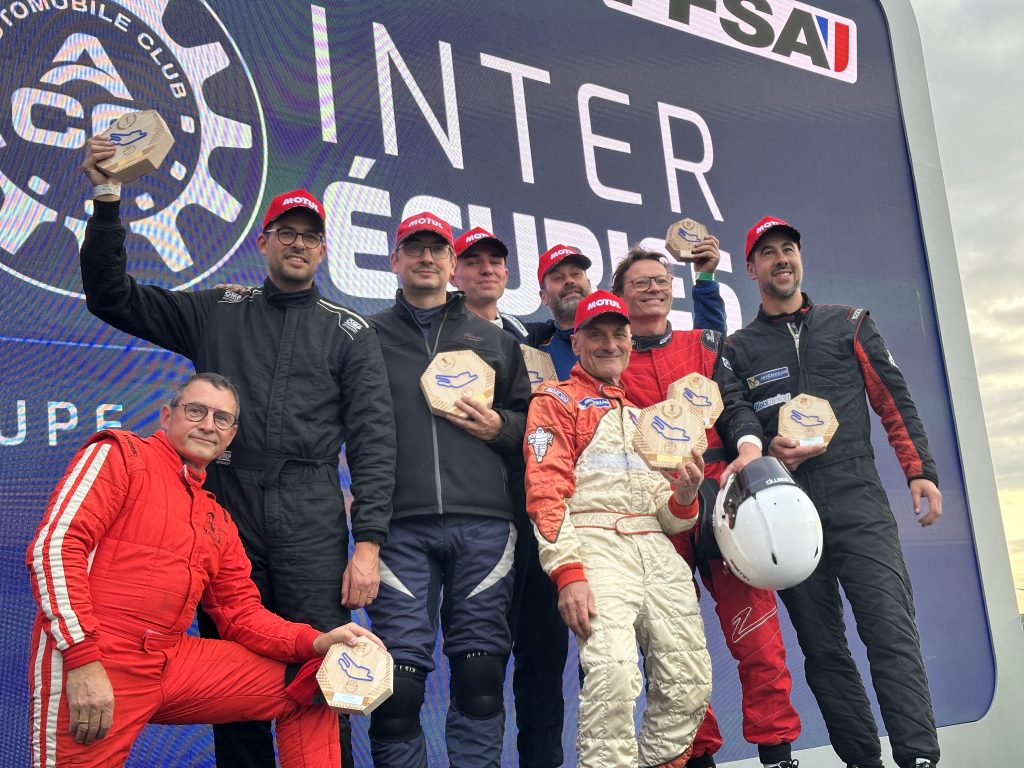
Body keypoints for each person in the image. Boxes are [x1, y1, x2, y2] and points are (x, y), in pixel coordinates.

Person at [78, 137, 396, 768]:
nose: (298, 244)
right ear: (264, 243)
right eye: (287, 233)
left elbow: (374, 443)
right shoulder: (217, 310)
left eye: (310, 236)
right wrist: (108, 198)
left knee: (328, 673)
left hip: (311, 513)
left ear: (324, 249)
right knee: (234, 672)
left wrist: (367, 546)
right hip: (226, 506)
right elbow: (112, 297)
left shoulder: (349, 331)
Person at [26, 373, 384, 768]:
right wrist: (82, 659)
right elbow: (55, 548)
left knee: (313, 680)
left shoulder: (216, 517)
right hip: (96, 659)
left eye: (221, 418)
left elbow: (242, 615)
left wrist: (316, 642)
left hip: (170, 659)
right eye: (196, 411)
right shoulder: (121, 455)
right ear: (167, 416)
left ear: (231, 436)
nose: (208, 425)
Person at [725, 216, 942, 768]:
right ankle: (861, 761)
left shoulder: (849, 323)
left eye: (788, 249)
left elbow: (893, 399)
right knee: (823, 650)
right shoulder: (738, 349)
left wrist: (919, 470)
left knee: (890, 630)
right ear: (751, 269)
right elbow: (735, 416)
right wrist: (765, 448)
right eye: (768, 253)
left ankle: (918, 757)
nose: (781, 259)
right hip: (785, 509)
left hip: (857, 496)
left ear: (800, 258)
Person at [612, 245, 801, 768]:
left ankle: (778, 754)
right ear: (619, 295)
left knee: (758, 637)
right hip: (653, 511)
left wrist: (749, 449)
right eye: (640, 283)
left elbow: (736, 405)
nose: (653, 288)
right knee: (671, 650)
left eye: (660, 280)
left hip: (720, 501)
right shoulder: (609, 360)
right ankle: (696, 757)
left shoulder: (703, 344)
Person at [366, 213, 531, 768]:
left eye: (437, 249)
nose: (426, 258)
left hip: (485, 524)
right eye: (414, 248)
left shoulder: (496, 340)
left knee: (481, 679)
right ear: (395, 260)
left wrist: (502, 427)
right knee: (396, 690)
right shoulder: (366, 336)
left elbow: (534, 426)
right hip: (399, 529)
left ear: (451, 264)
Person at [524, 289, 712, 768]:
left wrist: (685, 496)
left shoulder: (646, 417)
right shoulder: (556, 400)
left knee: (690, 683)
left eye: (618, 334)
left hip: (657, 551)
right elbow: (546, 492)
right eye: (597, 335)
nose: (609, 344)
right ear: (576, 342)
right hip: (596, 546)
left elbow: (670, 517)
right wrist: (568, 574)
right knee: (614, 678)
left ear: (630, 342)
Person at [534, 237, 727, 380]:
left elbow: (709, 348)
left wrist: (705, 280)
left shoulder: (622, 347)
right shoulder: (537, 346)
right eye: (558, 278)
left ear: (590, 284)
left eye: (576, 274)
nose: (569, 281)